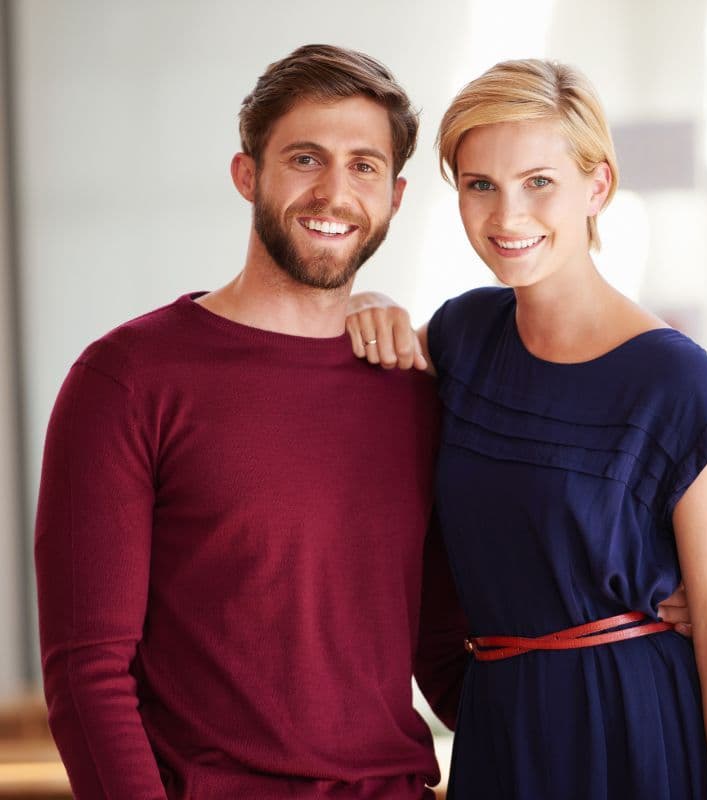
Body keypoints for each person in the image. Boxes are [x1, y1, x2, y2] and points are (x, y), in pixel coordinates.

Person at [34, 44, 470, 800]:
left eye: (364, 166)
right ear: (248, 176)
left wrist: (644, 638)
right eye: (306, 159)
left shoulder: (415, 391)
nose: (335, 193)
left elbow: (444, 649)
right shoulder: (127, 380)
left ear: (395, 198)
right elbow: (87, 671)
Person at [347, 59, 707, 799]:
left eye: (538, 181)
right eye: (481, 185)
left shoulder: (675, 383)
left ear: (598, 186)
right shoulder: (459, 337)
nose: (507, 215)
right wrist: (369, 300)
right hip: (502, 732)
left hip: (643, 729)